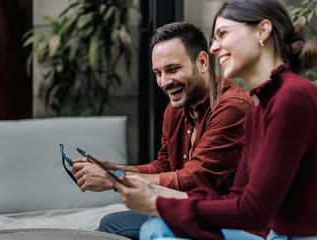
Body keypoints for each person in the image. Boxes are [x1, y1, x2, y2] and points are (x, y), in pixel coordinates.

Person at [108, 0, 317, 239]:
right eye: (214, 39)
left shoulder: (294, 97)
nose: (215, 48)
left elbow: (254, 211)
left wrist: (159, 204)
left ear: (262, 31)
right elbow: (237, 199)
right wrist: (151, 191)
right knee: (154, 226)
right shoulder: (258, 114)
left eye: (223, 34)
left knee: (156, 228)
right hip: (269, 233)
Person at [72, 22, 255, 239]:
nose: (164, 82)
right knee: (111, 223)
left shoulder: (233, 106)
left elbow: (196, 179)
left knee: (133, 228)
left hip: (228, 220)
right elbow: (165, 165)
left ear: (203, 62)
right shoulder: (175, 108)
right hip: (186, 212)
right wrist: (114, 168)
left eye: (173, 69)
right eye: (158, 73)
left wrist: (115, 178)